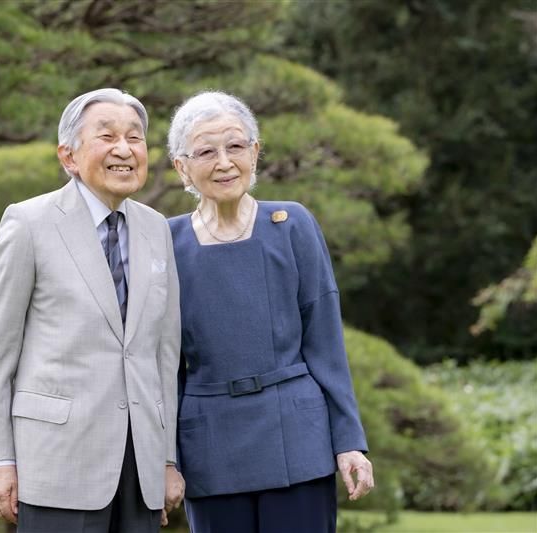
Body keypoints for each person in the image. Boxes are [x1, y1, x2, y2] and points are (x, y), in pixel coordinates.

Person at [0, 88, 185, 532]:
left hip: (140, 466)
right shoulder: (28, 223)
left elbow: (164, 354)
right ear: (68, 156)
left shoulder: (156, 229)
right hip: (56, 462)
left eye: (136, 138)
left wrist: (166, 458)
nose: (125, 149)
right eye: (107, 137)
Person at [166, 91, 374, 533]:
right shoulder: (166, 243)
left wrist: (349, 442)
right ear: (181, 166)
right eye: (206, 151)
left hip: (297, 436)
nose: (224, 162)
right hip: (210, 443)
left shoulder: (292, 224)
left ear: (255, 153)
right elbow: (162, 366)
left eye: (236, 146)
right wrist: (167, 458)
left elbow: (325, 345)